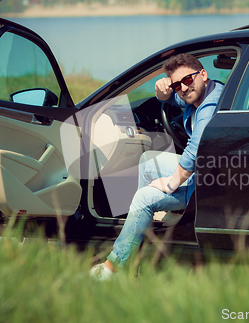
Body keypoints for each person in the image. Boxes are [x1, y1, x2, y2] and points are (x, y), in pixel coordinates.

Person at [90, 53, 223, 280]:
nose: (183, 88)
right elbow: (175, 100)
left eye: (188, 80)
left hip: (207, 182)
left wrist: (170, 184)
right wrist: (162, 93)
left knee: (143, 198)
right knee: (148, 160)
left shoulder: (208, 107)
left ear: (203, 74)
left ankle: (114, 268)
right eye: (177, 84)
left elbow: (194, 151)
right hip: (206, 170)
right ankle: (140, 238)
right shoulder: (207, 90)